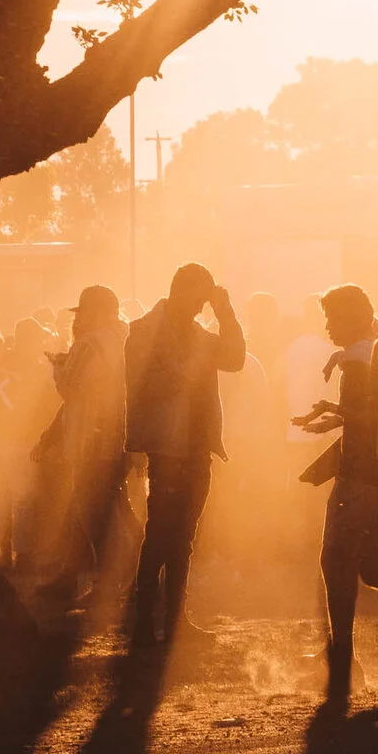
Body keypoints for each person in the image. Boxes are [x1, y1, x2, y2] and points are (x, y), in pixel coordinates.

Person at [122, 263, 243, 649]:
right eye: (200, 297)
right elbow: (146, 384)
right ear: (181, 290)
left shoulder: (198, 335)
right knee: (160, 533)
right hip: (165, 446)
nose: (201, 305)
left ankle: (174, 620)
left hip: (195, 446)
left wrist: (226, 313)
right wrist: (191, 367)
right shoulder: (143, 331)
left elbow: (235, 359)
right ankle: (144, 622)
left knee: (183, 537)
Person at [297, 283, 378, 698]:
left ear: (357, 317)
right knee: (371, 568)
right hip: (376, 478)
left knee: (335, 561)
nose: (328, 326)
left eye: (333, 317)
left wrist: (336, 411)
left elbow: (372, 417)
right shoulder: (374, 351)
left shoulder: (359, 361)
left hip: (359, 478)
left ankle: (342, 659)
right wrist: (338, 416)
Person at [35, 286, 131, 606]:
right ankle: (67, 579)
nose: (80, 319)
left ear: (98, 312)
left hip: (91, 439)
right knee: (87, 509)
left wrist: (57, 365)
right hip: (119, 436)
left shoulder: (89, 344)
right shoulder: (125, 339)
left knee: (93, 512)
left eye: (85, 311)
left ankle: (110, 584)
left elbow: (70, 387)